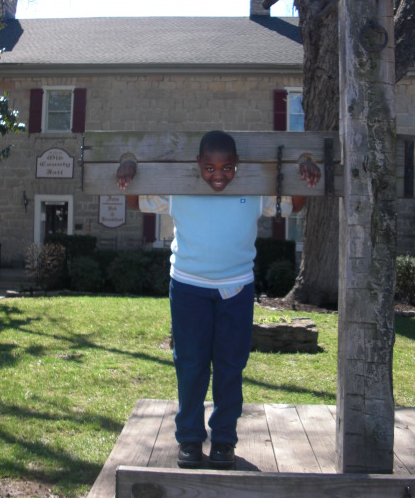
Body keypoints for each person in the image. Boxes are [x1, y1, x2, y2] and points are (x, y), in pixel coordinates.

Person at [117, 131, 320, 470]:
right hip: (188, 288)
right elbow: (136, 203)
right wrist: (129, 167)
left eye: (227, 167)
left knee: (230, 366)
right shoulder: (177, 189)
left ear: (237, 164)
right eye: (209, 167)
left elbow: (293, 205)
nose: (218, 175)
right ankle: (190, 438)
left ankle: (224, 440)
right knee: (190, 365)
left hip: (236, 291)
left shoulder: (254, 190)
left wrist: (304, 169)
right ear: (197, 163)